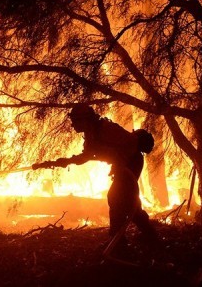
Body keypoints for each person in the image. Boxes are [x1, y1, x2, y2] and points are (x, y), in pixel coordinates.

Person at [32, 104, 157, 249]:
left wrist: (120, 164)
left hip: (131, 163)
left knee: (117, 198)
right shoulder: (90, 134)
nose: (73, 125)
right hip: (122, 167)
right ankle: (142, 237)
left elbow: (132, 142)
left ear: (85, 119)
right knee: (126, 201)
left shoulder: (106, 128)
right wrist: (55, 163)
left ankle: (119, 243)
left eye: (76, 121)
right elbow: (84, 158)